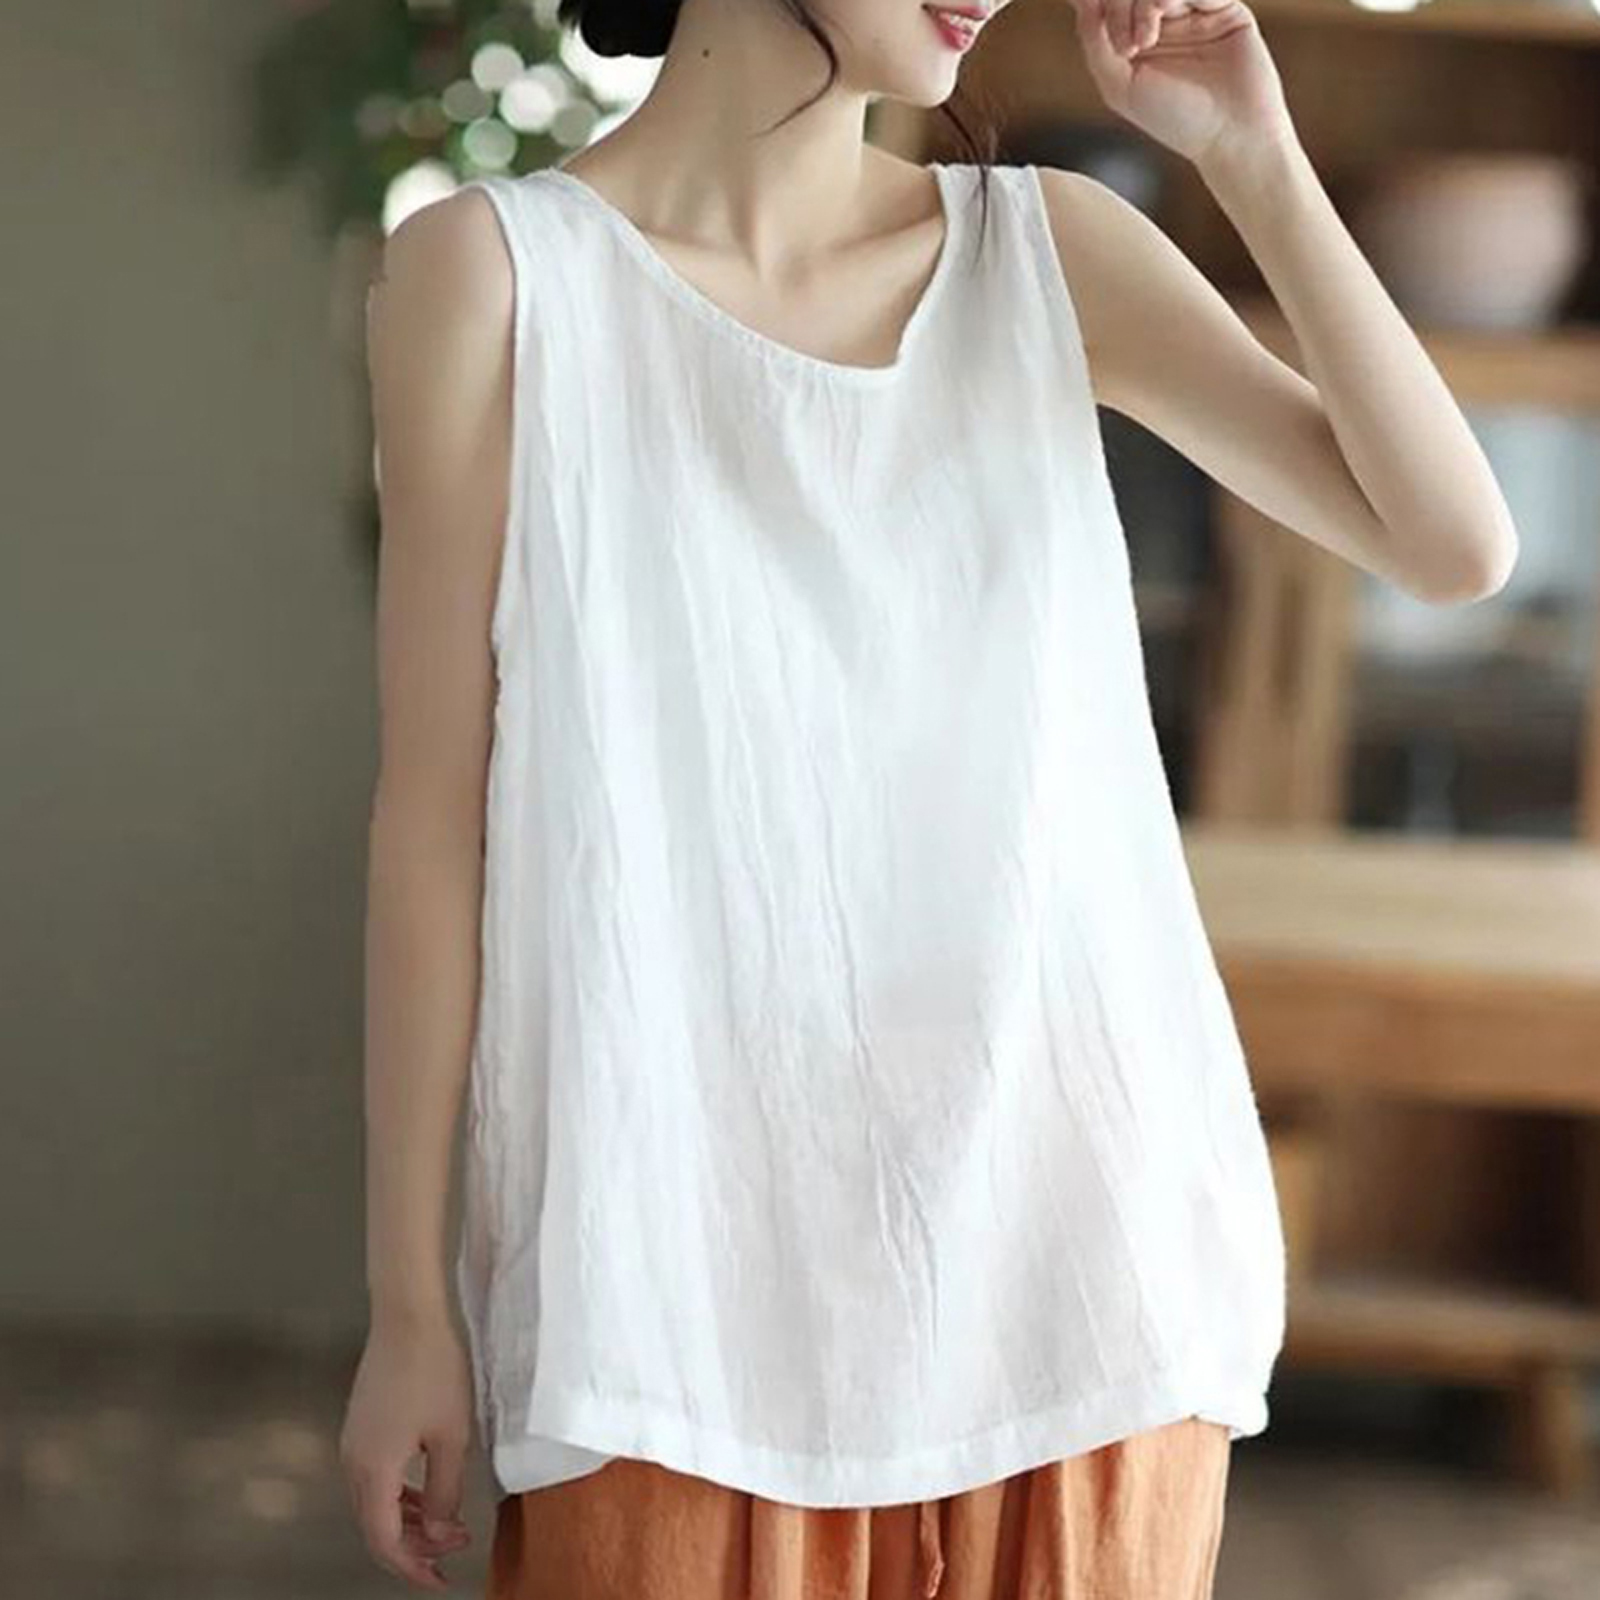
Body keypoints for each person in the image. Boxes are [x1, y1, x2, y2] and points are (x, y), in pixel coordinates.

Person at [339, 0, 1519, 1592]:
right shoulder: (496, 277)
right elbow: (435, 824)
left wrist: (1253, 158)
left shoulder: (1052, 252)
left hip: (1081, 1279)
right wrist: (410, 1307)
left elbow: (1451, 546)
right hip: (678, 1284)